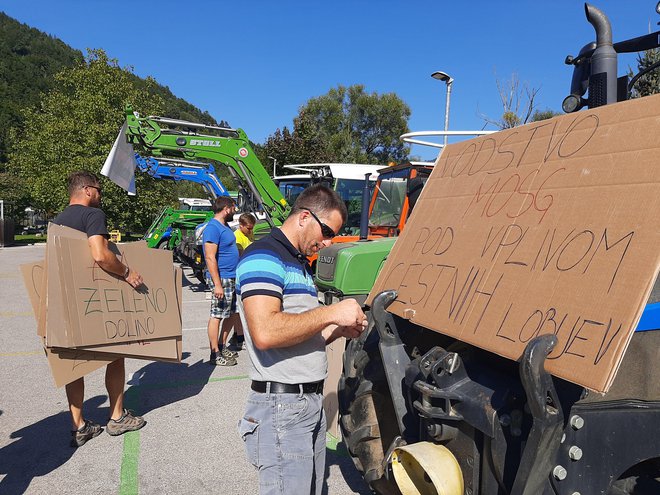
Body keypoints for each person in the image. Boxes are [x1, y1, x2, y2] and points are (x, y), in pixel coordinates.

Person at [236, 184, 368, 495]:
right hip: (282, 406)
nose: (328, 242)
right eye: (326, 232)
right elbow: (266, 331)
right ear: (304, 217)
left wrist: (337, 328)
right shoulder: (264, 256)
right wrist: (331, 312)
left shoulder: (297, 264)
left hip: (305, 403)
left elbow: (302, 332)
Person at [53, 171, 146, 448]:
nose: (101, 196)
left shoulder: (57, 220)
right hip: (95, 301)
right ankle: (116, 418)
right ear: (88, 190)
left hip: (67, 301)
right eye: (99, 190)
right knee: (115, 355)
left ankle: (79, 426)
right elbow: (100, 254)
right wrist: (127, 272)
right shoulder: (93, 215)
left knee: (73, 364)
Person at [203, 196, 241, 366]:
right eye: (233, 208)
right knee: (217, 315)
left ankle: (221, 344)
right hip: (222, 278)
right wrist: (217, 284)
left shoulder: (224, 226)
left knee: (232, 314)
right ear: (226, 208)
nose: (235, 211)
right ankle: (214, 353)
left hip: (231, 277)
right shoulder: (212, 228)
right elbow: (210, 257)